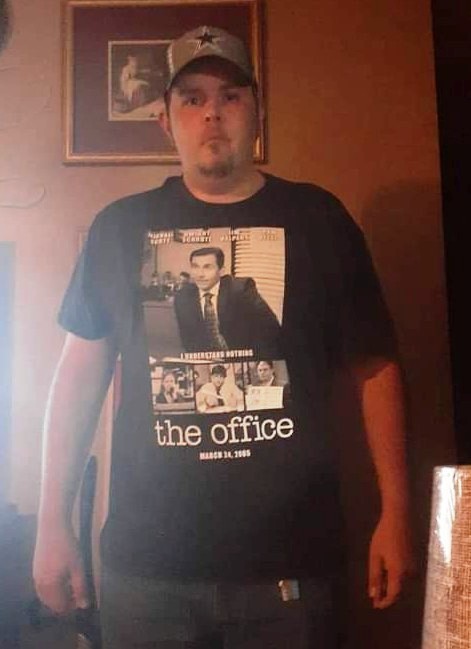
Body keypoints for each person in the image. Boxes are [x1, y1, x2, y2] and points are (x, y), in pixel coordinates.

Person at [33, 25, 414, 649]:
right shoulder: (119, 229)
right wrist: (52, 522)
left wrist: (397, 511)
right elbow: (78, 379)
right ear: (166, 121)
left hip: (294, 568)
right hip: (148, 573)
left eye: (231, 96)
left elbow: (375, 367)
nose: (212, 112)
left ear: (256, 113)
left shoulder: (319, 220)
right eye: (193, 98)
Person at [174, 246, 282, 355]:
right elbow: (189, 341)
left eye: (207, 267)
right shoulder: (183, 297)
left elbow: (270, 328)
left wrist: (259, 359)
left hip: (243, 356)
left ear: (221, 271)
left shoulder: (240, 289)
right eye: (195, 267)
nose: (200, 274)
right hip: (208, 359)